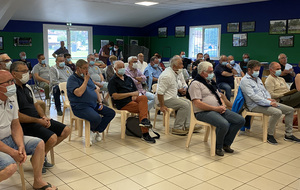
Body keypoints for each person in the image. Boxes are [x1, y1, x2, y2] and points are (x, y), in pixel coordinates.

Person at [0, 70, 58, 190]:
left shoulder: (11, 98)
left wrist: (20, 145)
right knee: (10, 168)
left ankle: (38, 181)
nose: (12, 84)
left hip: (9, 138)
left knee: (39, 143)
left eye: (12, 80)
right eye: (8, 82)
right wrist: (12, 152)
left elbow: (15, 125)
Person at [10, 61, 71, 174]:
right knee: (52, 138)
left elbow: (36, 104)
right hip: (25, 124)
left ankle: (40, 156)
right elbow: (16, 116)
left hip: (38, 120)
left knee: (66, 130)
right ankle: (39, 159)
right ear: (14, 74)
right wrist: (38, 120)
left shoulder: (27, 87)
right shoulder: (12, 91)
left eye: (27, 71)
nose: (27, 74)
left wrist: (43, 117)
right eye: (23, 72)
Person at [188, 61, 245, 156]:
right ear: (202, 72)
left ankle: (226, 144)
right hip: (203, 112)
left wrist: (222, 105)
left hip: (217, 109)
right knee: (224, 124)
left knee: (240, 120)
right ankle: (218, 146)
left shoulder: (210, 82)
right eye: (210, 72)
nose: (212, 73)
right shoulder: (195, 84)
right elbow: (197, 103)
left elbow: (219, 96)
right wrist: (215, 108)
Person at [240, 60, 300, 144]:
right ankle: (269, 134)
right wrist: (268, 103)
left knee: (289, 110)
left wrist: (269, 98)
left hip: (265, 102)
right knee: (277, 112)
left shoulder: (257, 79)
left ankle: (288, 135)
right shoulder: (245, 81)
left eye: (258, 70)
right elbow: (253, 97)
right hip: (254, 105)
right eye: (256, 70)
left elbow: (265, 91)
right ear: (249, 70)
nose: (258, 72)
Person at [67, 59, 115, 145]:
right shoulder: (72, 79)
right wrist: (85, 80)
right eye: (85, 68)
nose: (87, 70)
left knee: (111, 113)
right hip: (80, 107)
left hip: (93, 104)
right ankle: (92, 132)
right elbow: (79, 93)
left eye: (87, 68)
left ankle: (95, 130)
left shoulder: (87, 77)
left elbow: (95, 89)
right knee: (96, 118)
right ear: (78, 68)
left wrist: (100, 102)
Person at [108, 61, 155, 143]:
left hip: (133, 99)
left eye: (123, 66)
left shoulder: (128, 78)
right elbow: (115, 96)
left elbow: (136, 92)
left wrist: (135, 95)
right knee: (143, 109)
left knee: (143, 98)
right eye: (120, 67)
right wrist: (130, 94)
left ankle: (144, 121)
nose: (122, 69)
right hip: (123, 103)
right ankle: (145, 133)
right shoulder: (113, 81)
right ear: (115, 69)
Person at [156, 55, 191, 136]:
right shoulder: (167, 75)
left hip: (171, 97)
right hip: (164, 99)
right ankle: (177, 128)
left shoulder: (174, 72)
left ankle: (188, 126)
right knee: (184, 105)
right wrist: (162, 106)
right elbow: (160, 93)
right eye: (181, 64)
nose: (182, 66)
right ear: (175, 66)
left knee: (188, 102)